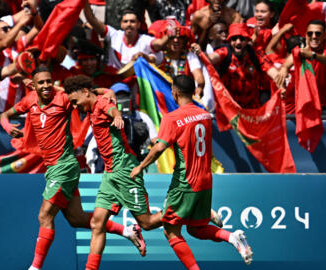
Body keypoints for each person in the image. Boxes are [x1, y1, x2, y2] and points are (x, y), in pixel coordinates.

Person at [0, 67, 145, 270]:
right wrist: (7, 127)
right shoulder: (29, 101)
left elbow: (89, 92)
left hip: (65, 165)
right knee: (76, 219)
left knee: (44, 215)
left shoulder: (64, 100)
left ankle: (35, 267)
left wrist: (108, 92)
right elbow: (4, 115)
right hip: (52, 168)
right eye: (41, 82)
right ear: (34, 84)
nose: (46, 86)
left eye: (49, 81)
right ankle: (127, 231)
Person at [130, 75, 253, 269]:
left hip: (185, 182)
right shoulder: (204, 114)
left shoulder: (172, 118)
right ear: (193, 91)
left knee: (170, 231)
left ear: (174, 92)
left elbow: (159, 148)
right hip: (205, 180)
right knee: (196, 230)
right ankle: (231, 237)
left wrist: (140, 166)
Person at [63, 75, 167, 269]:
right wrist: (106, 90)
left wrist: (117, 116)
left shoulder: (102, 104)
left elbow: (111, 109)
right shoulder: (95, 100)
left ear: (85, 93)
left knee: (148, 222)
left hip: (126, 171)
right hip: (110, 175)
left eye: (75, 102)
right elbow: (99, 92)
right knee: (97, 223)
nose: (75, 107)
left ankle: (188, 210)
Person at [202, 23, 279, 108]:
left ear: (247, 40)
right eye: (234, 39)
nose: (238, 42)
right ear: (230, 41)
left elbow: (272, 71)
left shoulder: (256, 54)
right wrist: (200, 53)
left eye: (242, 39)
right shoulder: (225, 52)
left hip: (252, 109)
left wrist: (280, 82)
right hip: (229, 109)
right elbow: (212, 58)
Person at [83, 1, 162, 69]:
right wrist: (84, 2)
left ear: (139, 24)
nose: (129, 24)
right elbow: (92, 19)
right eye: (125, 21)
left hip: (138, 79)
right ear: (121, 25)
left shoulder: (145, 40)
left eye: (132, 21)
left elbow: (160, 44)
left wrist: (145, 57)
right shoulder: (114, 35)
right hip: (115, 80)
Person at [276, 19, 326, 110]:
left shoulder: (324, 51)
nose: (314, 36)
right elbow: (285, 66)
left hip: (324, 108)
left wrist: (313, 55)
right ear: (306, 35)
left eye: (318, 33)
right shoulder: (300, 51)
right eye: (310, 33)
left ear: (324, 36)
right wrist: (282, 83)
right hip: (305, 107)